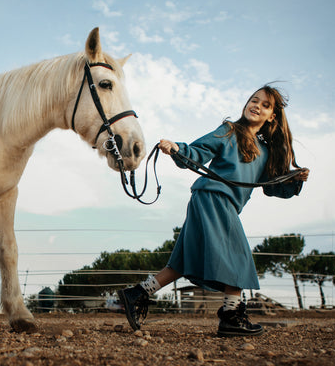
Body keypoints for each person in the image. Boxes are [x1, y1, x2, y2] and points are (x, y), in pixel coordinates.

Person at [117, 85, 309, 337]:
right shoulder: (229, 131)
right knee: (238, 254)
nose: (256, 106)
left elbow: (269, 188)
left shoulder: (265, 151)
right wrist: (178, 149)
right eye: (254, 100)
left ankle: (137, 294)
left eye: (264, 105)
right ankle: (231, 315)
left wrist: (294, 181)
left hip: (218, 203)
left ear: (272, 116)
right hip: (213, 198)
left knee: (182, 262)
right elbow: (200, 151)